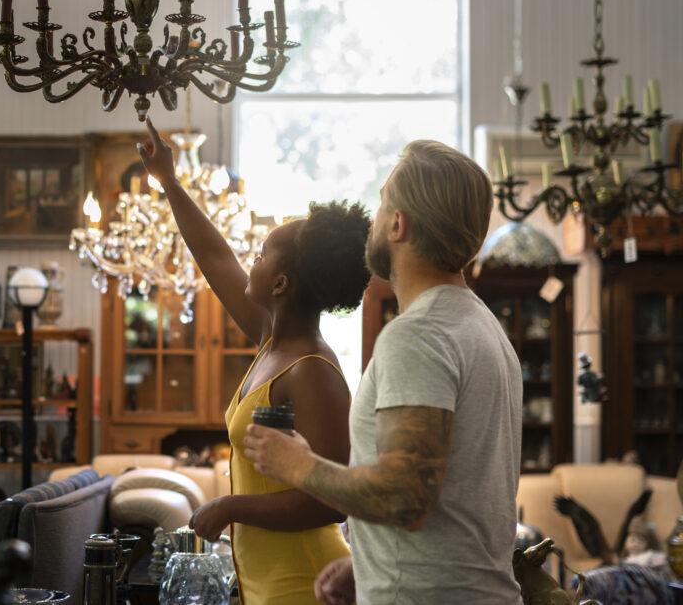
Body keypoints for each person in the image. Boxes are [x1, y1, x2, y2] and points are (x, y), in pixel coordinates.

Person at [244, 140, 524, 604]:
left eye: (380, 204)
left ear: (397, 224)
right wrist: (369, 561)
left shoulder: (417, 335)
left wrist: (297, 464)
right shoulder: (484, 328)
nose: (373, 219)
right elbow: (453, 495)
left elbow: (404, 497)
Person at [139, 118, 371, 605]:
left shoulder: (312, 370)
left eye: (263, 253)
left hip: (305, 583)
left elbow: (331, 501)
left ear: (282, 283)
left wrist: (230, 506)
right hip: (264, 583)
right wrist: (169, 182)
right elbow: (215, 257)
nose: (252, 259)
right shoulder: (271, 341)